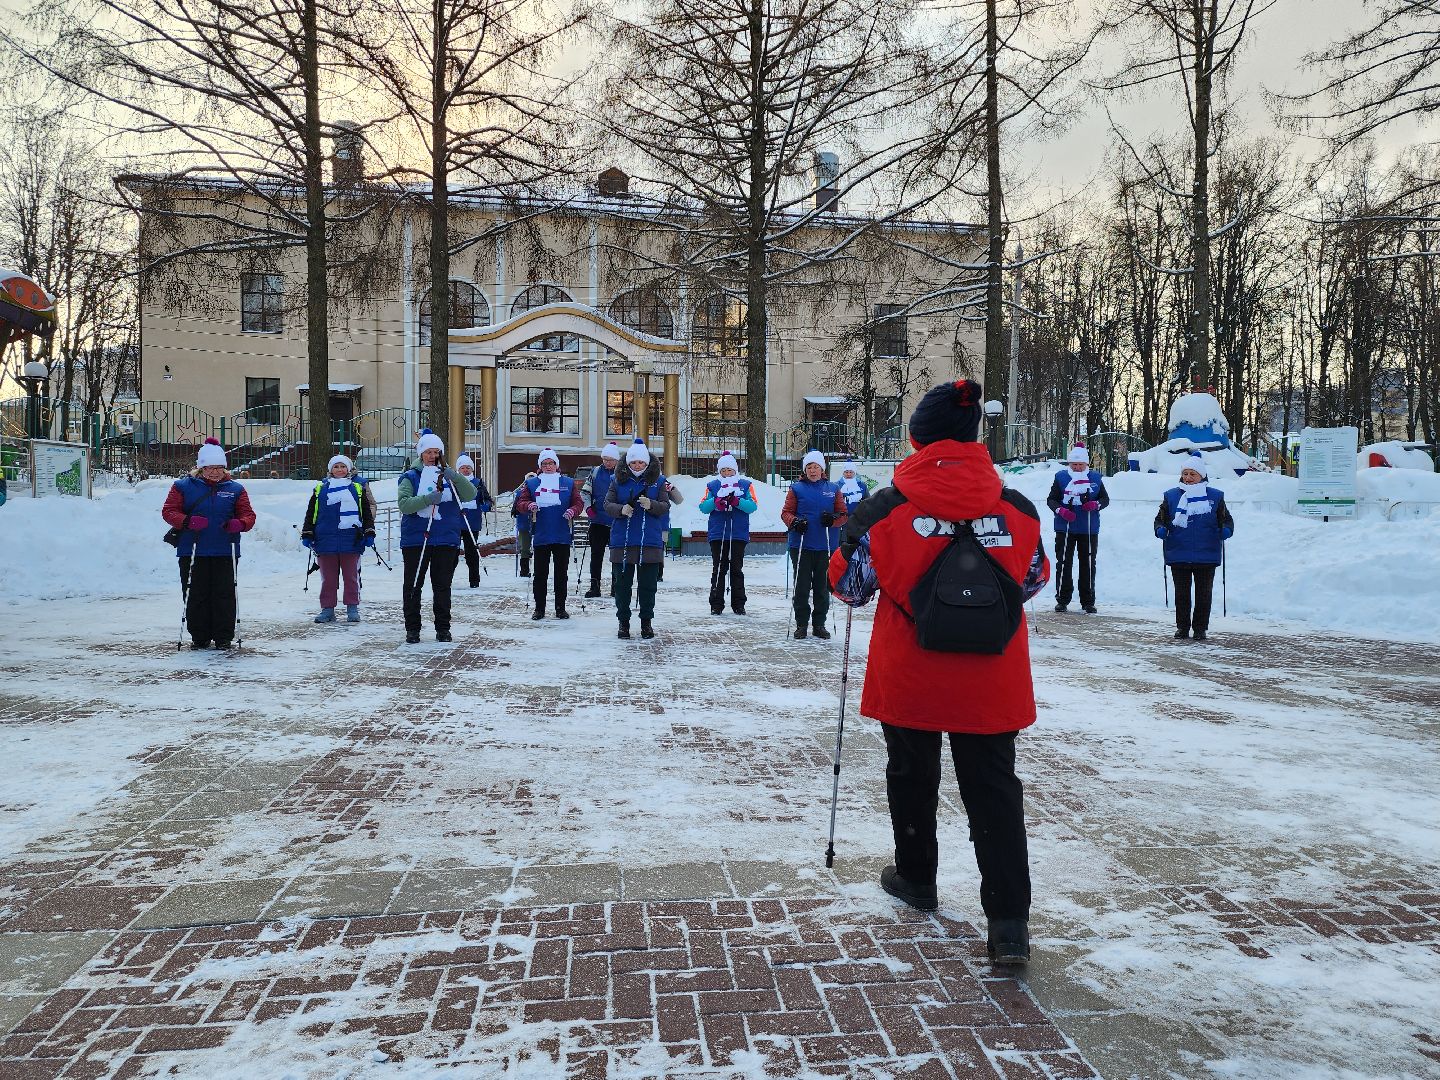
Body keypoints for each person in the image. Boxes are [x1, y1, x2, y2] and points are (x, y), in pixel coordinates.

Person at [828, 379, 1050, 965]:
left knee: (910, 772)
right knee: (994, 790)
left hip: (912, 673)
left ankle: (916, 877)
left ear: (916, 440)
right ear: (976, 436)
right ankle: (1008, 924)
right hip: (991, 677)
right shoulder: (1017, 507)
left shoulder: (885, 506)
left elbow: (848, 588)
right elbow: (1033, 580)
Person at [162, 437, 256, 649]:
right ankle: (200, 635)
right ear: (201, 467)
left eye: (219, 468)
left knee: (224, 593)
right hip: (193, 549)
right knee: (195, 593)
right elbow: (169, 511)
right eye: (210, 467)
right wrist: (187, 521)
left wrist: (239, 524)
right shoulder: (182, 486)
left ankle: (224, 636)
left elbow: (248, 516)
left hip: (225, 549)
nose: (215, 472)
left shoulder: (236, 489)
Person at [397, 429, 476, 644]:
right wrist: (426, 499)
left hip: (445, 538)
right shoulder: (410, 477)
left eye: (436, 452)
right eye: (428, 452)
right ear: (421, 453)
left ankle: (443, 628)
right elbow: (404, 504)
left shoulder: (449, 476)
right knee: (413, 584)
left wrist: (455, 476)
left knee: (442, 586)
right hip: (417, 539)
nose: (432, 456)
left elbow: (470, 494)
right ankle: (412, 628)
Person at [1154, 453, 1234, 642]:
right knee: (1182, 595)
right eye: (1186, 474)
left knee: (1203, 595)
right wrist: (1160, 528)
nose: (1188, 478)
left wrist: (1226, 530)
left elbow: (1226, 520)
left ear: (1202, 476)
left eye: (1193, 474)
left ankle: (1200, 628)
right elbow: (1160, 519)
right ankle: (1182, 627)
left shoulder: (1215, 496)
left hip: (1206, 554)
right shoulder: (1171, 496)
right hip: (1178, 552)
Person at [604, 438, 670, 639]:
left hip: (649, 540)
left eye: (641, 463)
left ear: (647, 463)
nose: (637, 466)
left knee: (648, 586)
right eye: (633, 463)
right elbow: (607, 504)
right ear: (628, 463)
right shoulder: (617, 480)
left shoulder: (658, 481)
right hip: (622, 540)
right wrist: (621, 509)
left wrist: (651, 504)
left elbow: (665, 506)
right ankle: (623, 623)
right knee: (622, 585)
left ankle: (646, 622)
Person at [301, 454, 376, 624]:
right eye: (336, 467)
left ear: (349, 469)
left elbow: (365, 513)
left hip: (351, 540)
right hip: (325, 540)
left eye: (343, 467)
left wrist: (369, 532)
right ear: (330, 470)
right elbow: (311, 513)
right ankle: (327, 609)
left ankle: (352, 607)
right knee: (328, 578)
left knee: (351, 577)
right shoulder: (320, 488)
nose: (340, 470)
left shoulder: (357, 488)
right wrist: (307, 533)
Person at [782, 449, 847, 639]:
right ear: (805, 469)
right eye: (809, 467)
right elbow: (786, 512)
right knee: (801, 586)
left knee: (822, 587)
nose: (812, 470)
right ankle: (801, 624)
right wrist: (794, 522)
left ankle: (819, 624)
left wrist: (833, 520)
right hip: (801, 545)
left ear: (822, 469)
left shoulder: (833, 489)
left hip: (825, 546)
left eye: (816, 467)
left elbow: (843, 515)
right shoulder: (796, 488)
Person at [514, 448, 583, 620]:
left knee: (561, 574)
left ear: (556, 465)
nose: (548, 467)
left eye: (551, 463)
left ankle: (560, 608)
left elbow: (578, 503)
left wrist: (573, 511)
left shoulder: (568, 482)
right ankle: (539, 608)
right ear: (540, 466)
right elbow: (520, 503)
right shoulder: (532, 484)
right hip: (541, 534)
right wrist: (528, 505)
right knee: (540, 574)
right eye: (544, 464)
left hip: (562, 534)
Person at [1045, 443, 1110, 614]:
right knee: (1064, 563)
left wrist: (1095, 504)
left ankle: (1088, 601)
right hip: (1064, 527)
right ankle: (1062, 599)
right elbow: (1051, 499)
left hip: (1088, 527)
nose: (1077, 467)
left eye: (1081, 464)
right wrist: (1061, 510)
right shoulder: (1061, 477)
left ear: (1087, 464)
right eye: (1074, 464)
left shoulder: (1095, 478)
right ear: (1069, 464)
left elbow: (1105, 499)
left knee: (1088, 564)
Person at [697, 452, 758, 615]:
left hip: (738, 533)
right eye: (723, 470)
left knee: (736, 568)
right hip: (718, 533)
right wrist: (716, 502)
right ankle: (716, 603)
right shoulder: (712, 485)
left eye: (729, 470)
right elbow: (703, 507)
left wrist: (737, 501)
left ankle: (739, 603)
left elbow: (753, 506)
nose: (726, 473)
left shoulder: (745, 485)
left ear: (735, 470)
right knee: (719, 568)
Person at [580, 443, 620, 598]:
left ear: (616, 460)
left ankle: (616, 587)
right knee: (596, 555)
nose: (607, 462)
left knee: (616, 556)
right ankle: (594, 586)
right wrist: (588, 508)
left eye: (610, 459)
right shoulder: (595, 472)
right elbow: (585, 492)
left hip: (617, 521)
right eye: (604, 459)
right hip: (597, 521)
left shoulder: (622, 473)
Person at [455, 453, 495, 589]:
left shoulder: (478, 483)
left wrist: (486, 505)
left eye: (468, 468)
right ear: (458, 470)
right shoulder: (453, 483)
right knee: (451, 552)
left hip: (472, 523)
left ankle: (474, 580)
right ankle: (446, 578)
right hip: (455, 522)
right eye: (462, 468)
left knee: (471, 553)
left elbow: (487, 499)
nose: (466, 470)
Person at [512, 472, 536, 577]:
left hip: (537, 524)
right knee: (525, 548)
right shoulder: (520, 493)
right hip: (524, 523)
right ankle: (524, 570)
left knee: (538, 548)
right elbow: (515, 507)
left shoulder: (538, 492)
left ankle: (537, 569)